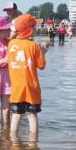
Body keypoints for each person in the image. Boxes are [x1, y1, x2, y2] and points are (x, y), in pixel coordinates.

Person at [7, 14, 47, 142]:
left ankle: (14, 143)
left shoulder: (11, 44)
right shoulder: (33, 46)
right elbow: (41, 65)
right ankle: (33, 144)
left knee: (16, 115)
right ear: (29, 30)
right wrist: (42, 51)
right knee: (32, 115)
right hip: (31, 87)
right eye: (34, 26)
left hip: (17, 87)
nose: (36, 29)